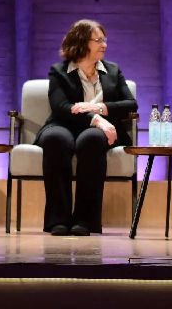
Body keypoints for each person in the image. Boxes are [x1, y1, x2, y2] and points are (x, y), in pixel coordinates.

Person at [39, 19, 137, 236]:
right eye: (98, 40)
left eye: (104, 40)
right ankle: (58, 220)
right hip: (64, 124)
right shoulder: (58, 71)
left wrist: (99, 108)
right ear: (82, 42)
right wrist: (96, 120)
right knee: (55, 139)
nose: (104, 44)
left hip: (98, 132)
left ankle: (85, 220)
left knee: (91, 139)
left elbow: (131, 104)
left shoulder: (113, 70)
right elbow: (61, 107)